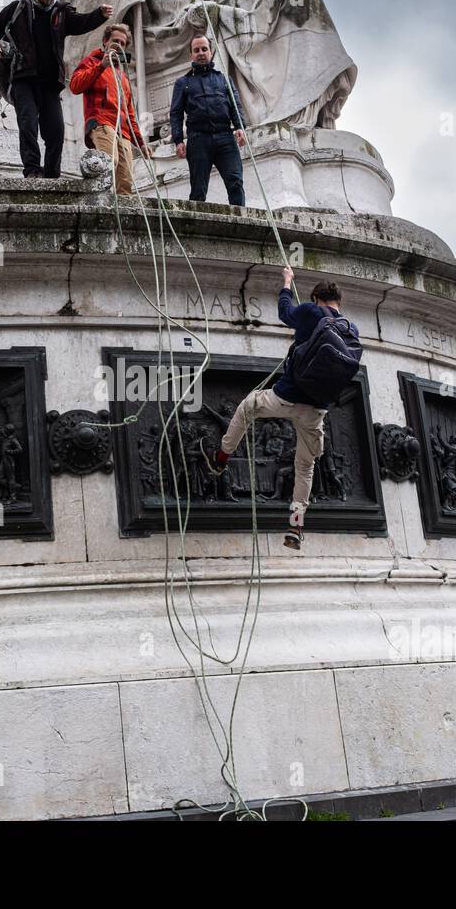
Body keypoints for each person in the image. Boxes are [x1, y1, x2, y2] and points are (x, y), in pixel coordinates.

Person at [213, 266, 359, 550]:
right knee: (305, 466)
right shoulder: (351, 329)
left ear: (316, 297)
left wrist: (287, 282)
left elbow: (284, 312)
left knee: (247, 407)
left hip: (286, 396)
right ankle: (296, 524)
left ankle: (221, 457)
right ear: (339, 302)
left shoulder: (311, 312)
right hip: (316, 409)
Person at [0, 0, 112, 179]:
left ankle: (52, 175)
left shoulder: (61, 13)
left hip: (51, 83)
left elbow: (81, 22)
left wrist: (99, 15)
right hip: (23, 79)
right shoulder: (17, 9)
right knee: (28, 124)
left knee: (56, 132)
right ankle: (32, 170)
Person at [170, 34, 246, 206]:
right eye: (196, 50)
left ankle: (239, 223)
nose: (201, 53)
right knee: (198, 189)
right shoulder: (182, 83)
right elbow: (176, 113)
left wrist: (240, 127)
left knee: (235, 182)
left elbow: (235, 105)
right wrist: (178, 140)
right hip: (198, 140)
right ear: (191, 55)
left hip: (225, 136)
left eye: (204, 49)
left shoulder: (224, 79)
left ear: (211, 52)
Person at [70, 23, 146, 196]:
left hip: (123, 131)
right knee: (110, 162)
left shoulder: (123, 75)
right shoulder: (92, 61)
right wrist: (100, 66)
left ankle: (123, 219)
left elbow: (130, 114)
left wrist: (141, 143)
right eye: (115, 41)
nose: (119, 45)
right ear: (105, 41)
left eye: (123, 43)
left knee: (126, 178)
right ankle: (97, 198)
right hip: (101, 122)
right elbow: (75, 86)